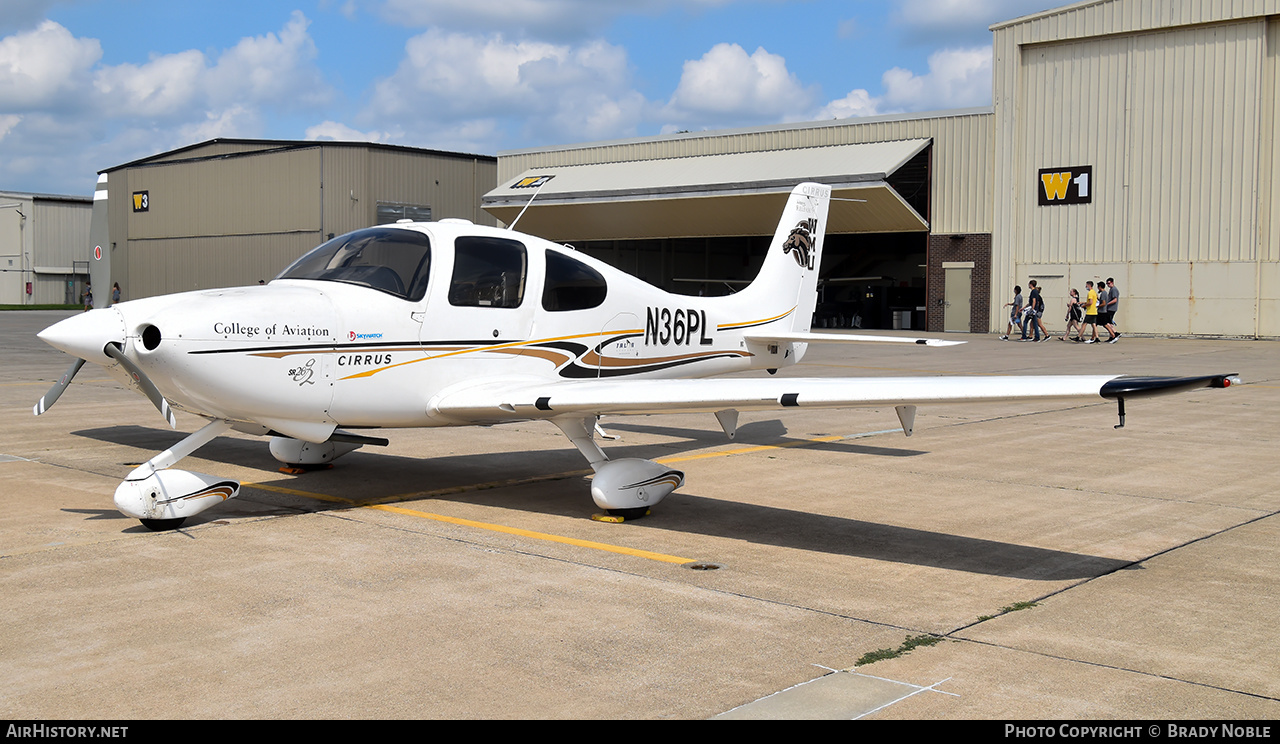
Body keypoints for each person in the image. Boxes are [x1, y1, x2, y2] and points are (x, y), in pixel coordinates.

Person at [1103, 277, 1120, 343]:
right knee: (1109, 322)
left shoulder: (1114, 289)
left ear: (1112, 282)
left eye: (1109, 283)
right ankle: (1111, 336)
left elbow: (1115, 300)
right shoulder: (1111, 289)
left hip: (1111, 309)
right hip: (1110, 308)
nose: (1108, 285)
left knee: (1107, 322)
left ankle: (1115, 333)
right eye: (1107, 283)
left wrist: (1107, 304)